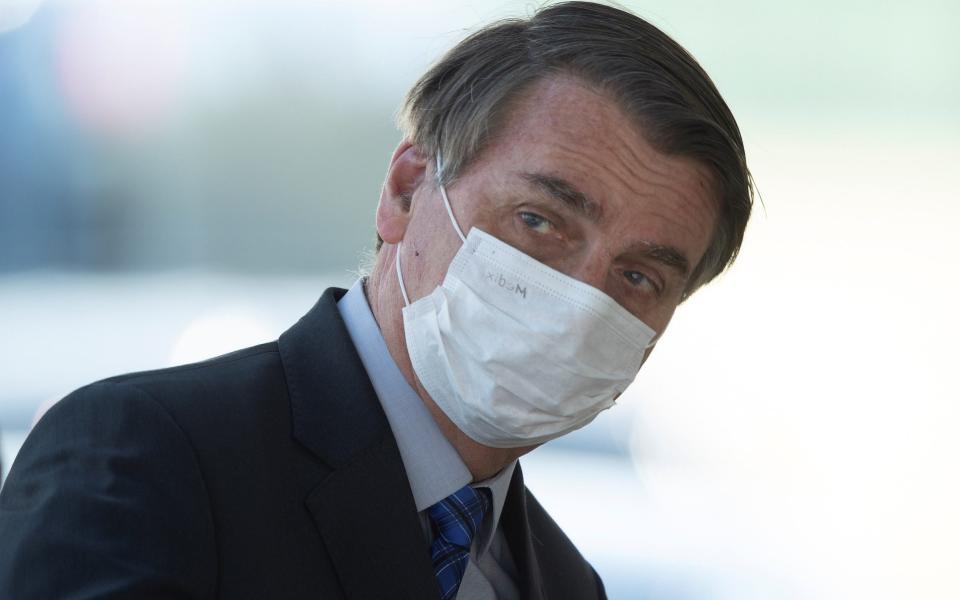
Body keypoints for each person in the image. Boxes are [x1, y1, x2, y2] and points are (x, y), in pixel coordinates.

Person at [0, 2, 752, 598]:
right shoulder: (145, 457)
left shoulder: (562, 582)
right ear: (404, 191)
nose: (580, 301)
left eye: (638, 279)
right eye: (538, 221)